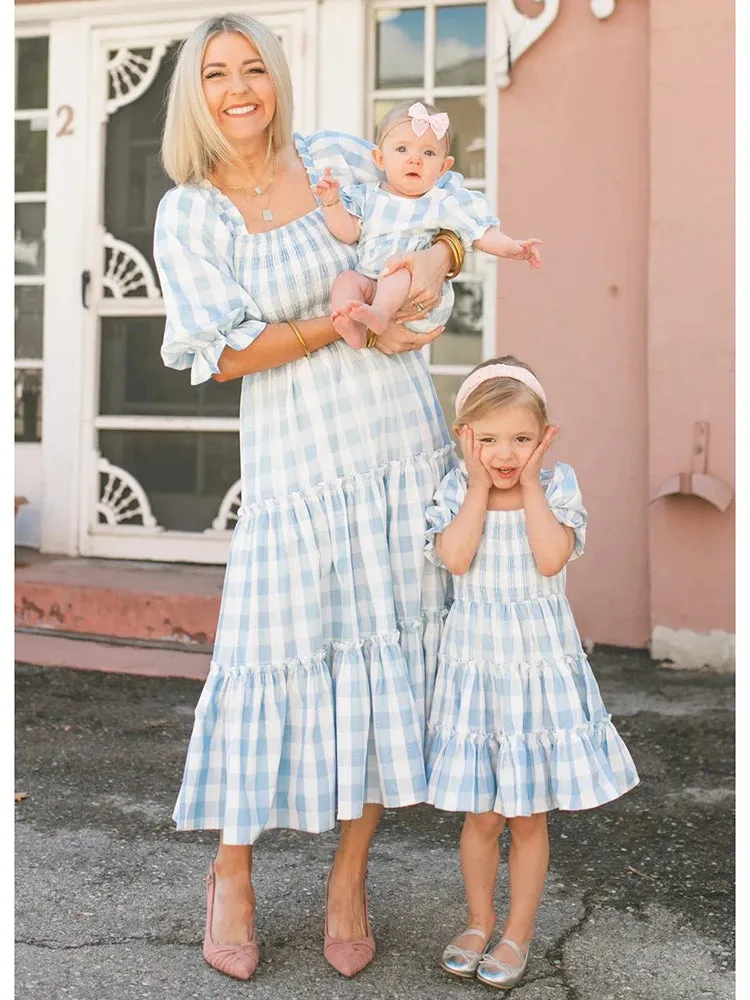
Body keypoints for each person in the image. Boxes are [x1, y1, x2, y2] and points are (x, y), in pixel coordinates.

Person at [153, 12, 468, 982]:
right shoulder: (191, 213)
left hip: (396, 451)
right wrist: (339, 321)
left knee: (384, 660)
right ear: (195, 95)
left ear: (278, 77)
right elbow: (225, 351)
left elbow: (444, 224)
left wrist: (427, 267)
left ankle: (347, 878)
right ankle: (233, 870)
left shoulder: (338, 156)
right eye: (217, 74)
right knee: (270, 660)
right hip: (298, 472)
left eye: (255, 68)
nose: (240, 87)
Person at [423, 357, 639, 989]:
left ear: (544, 435)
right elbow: (457, 558)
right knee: (482, 815)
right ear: (465, 437)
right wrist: (478, 486)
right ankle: (477, 919)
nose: (504, 453)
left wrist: (535, 483)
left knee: (527, 814)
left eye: (520, 438)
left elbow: (551, 558)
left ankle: (517, 932)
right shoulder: (458, 487)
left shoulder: (557, 484)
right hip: (479, 666)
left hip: (537, 667)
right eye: (487, 439)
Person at [312, 101, 542, 349]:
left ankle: (378, 314)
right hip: (371, 283)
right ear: (380, 158)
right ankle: (354, 330)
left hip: (415, 291)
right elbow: (347, 233)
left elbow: (481, 232)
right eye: (402, 149)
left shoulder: (441, 202)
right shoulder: (368, 197)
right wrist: (332, 203)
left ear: (443, 168)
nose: (415, 160)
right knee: (346, 280)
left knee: (399, 270)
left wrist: (512, 248)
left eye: (428, 153)